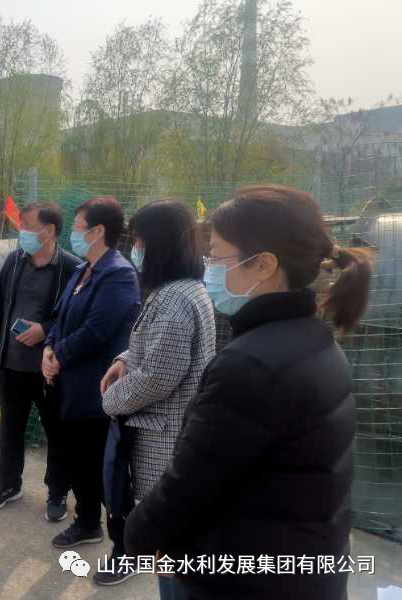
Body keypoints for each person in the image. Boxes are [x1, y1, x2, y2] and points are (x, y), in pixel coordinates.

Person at [124, 185, 372, 600]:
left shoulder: (250, 366)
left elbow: (191, 484)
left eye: (217, 255)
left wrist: (138, 535)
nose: (209, 268)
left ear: (264, 265)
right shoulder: (315, 338)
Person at [95, 200, 216, 587]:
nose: (136, 248)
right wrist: (124, 359)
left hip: (164, 433)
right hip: (173, 426)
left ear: (158, 243)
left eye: (139, 239)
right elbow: (154, 347)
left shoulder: (174, 299)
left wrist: (111, 401)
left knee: (167, 538)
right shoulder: (185, 290)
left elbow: (158, 377)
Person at [42, 196, 141, 549]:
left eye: (77, 226)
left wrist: (59, 356)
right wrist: (49, 348)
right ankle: (86, 523)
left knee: (102, 467)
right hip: (70, 385)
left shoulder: (118, 274)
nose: (73, 233)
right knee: (78, 460)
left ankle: (125, 542)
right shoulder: (83, 270)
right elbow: (60, 317)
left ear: (98, 231)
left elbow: (98, 329)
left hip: (96, 389)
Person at [0, 202, 81, 520]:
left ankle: (57, 492)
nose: (21, 231)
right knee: (10, 429)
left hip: (50, 369)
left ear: (48, 231)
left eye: (26, 225)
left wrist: (45, 330)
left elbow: (77, 319)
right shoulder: (14, 261)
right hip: (12, 365)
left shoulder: (71, 268)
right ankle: (8, 485)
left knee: (57, 432)